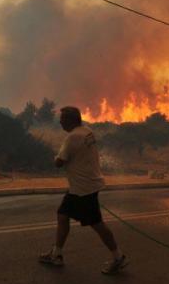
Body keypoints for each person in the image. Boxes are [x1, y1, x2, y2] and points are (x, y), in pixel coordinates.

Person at [39, 106, 128, 275]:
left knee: (97, 224)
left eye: (63, 118)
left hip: (83, 189)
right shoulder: (87, 131)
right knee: (63, 215)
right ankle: (56, 254)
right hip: (85, 186)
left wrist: (54, 156)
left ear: (72, 120)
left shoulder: (72, 138)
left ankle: (118, 257)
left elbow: (59, 163)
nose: (60, 121)